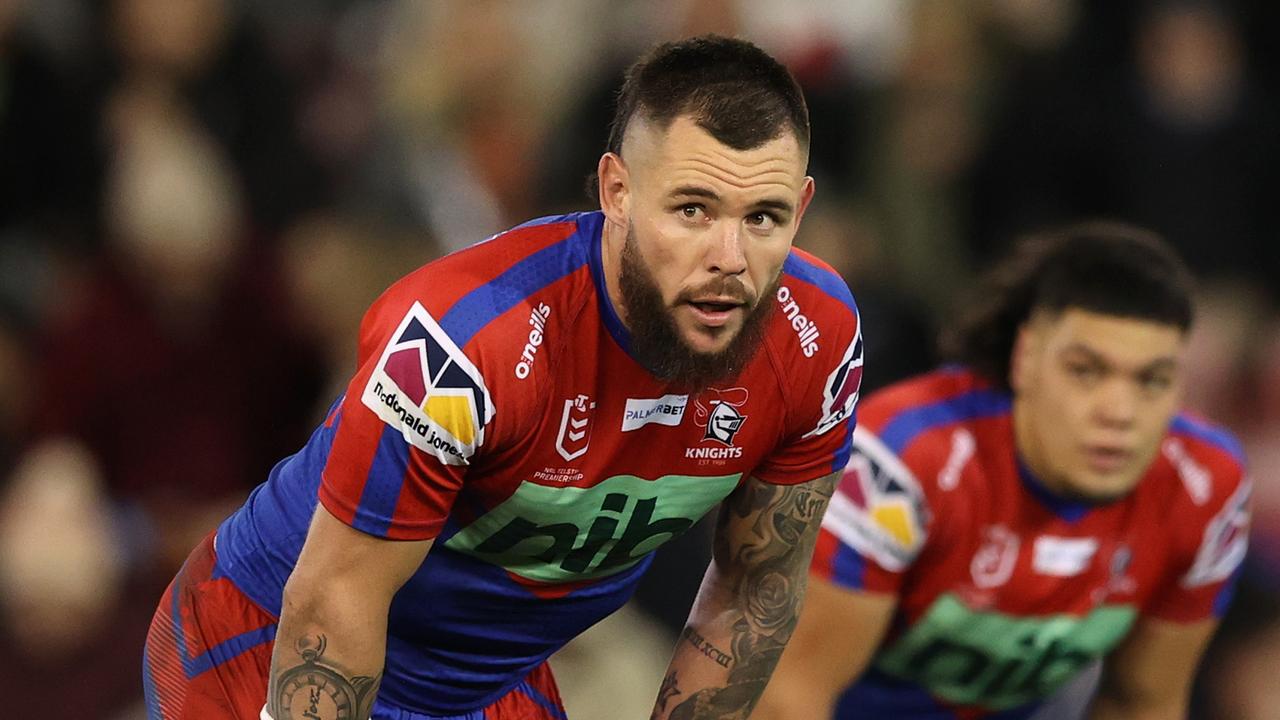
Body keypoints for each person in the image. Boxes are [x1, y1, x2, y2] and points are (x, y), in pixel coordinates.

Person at [143, 35, 864, 720]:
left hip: (482, 684)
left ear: (800, 210)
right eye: (692, 210)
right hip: (271, 640)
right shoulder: (467, 341)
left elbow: (753, 590)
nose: (730, 258)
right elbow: (335, 601)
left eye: (763, 218)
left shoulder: (819, 341)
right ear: (615, 191)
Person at [756, 223, 1250, 719]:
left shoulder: (1207, 488)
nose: (1120, 412)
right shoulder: (903, 462)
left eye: (1152, 380)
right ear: (1026, 357)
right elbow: (791, 696)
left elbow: (1141, 704)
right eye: (1086, 371)